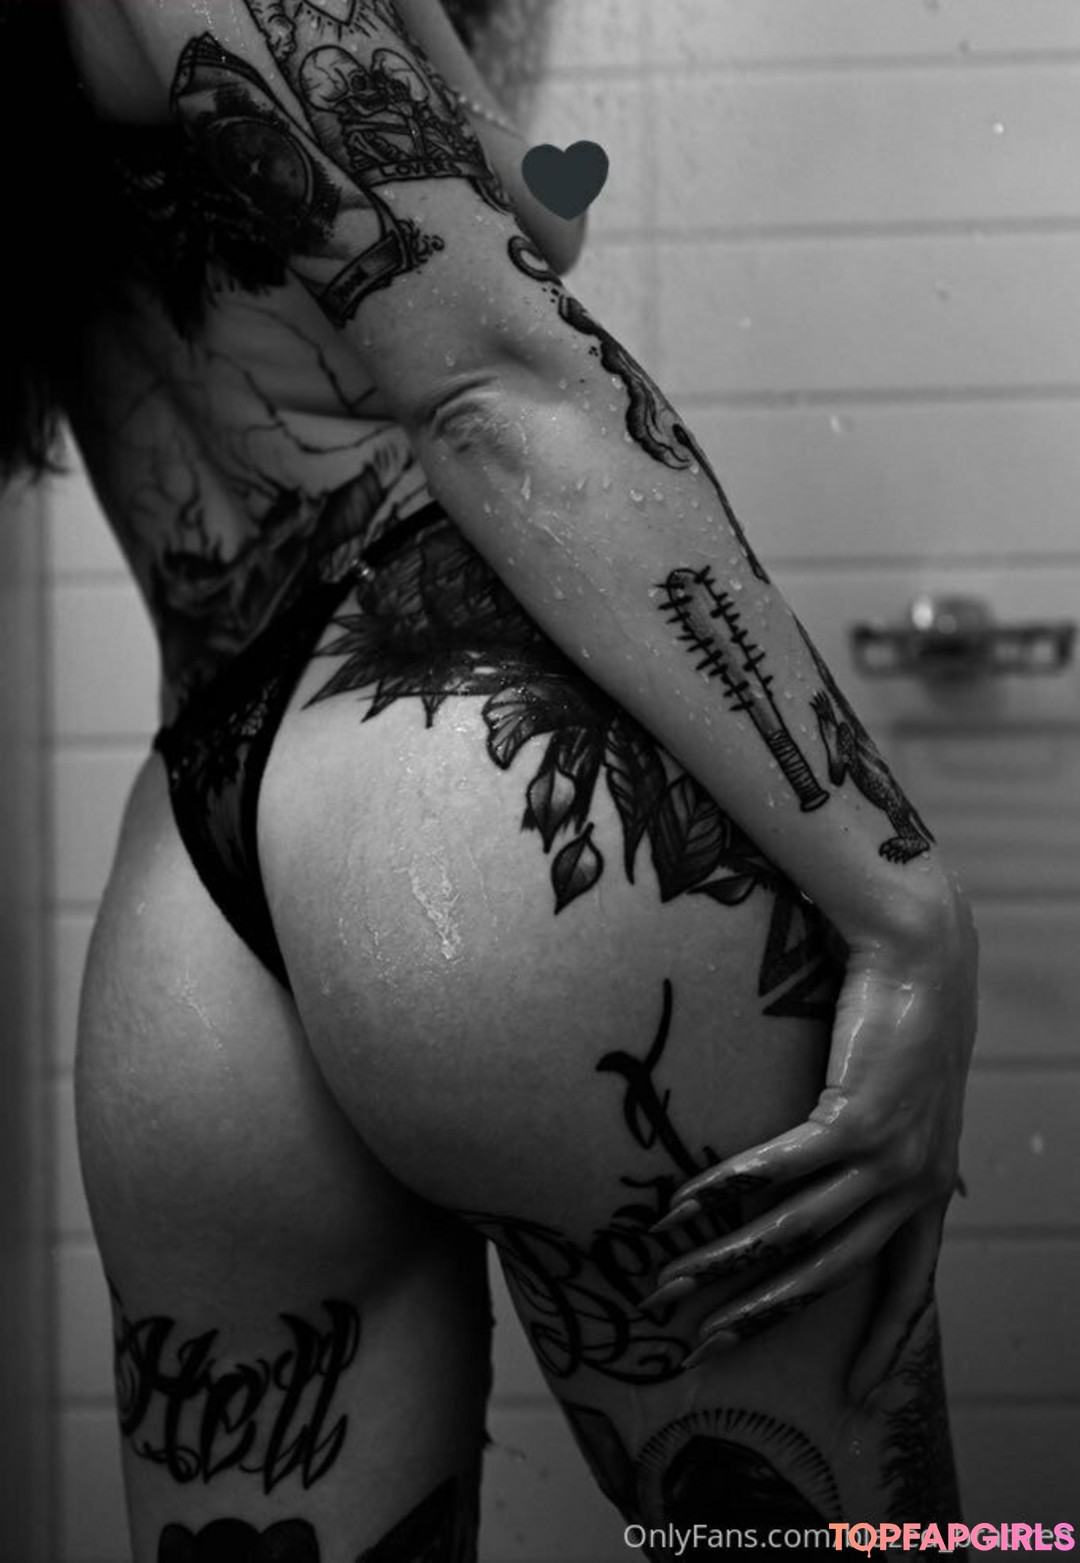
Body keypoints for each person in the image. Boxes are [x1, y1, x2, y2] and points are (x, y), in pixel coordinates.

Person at [2, 0, 979, 1557]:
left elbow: (523, 214)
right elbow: (499, 383)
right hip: (459, 767)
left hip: (196, 878)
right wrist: (904, 903)